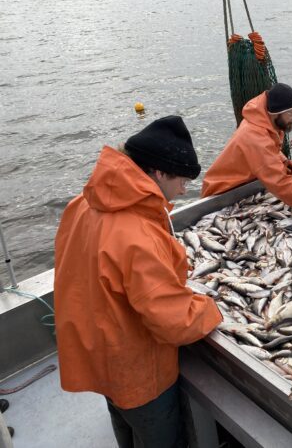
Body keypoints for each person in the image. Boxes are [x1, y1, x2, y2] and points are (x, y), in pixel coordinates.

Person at [54, 116, 223, 448]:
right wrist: (213, 310)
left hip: (96, 354)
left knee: (123, 426)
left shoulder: (83, 203)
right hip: (135, 372)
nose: (185, 189)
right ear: (159, 172)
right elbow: (174, 321)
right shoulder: (137, 233)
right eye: (183, 180)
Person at [202, 83, 292, 211]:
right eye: (291, 113)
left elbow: (269, 148)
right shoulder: (254, 137)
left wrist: (282, 160)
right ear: (275, 114)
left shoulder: (264, 121)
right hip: (222, 194)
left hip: (244, 187)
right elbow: (283, 187)